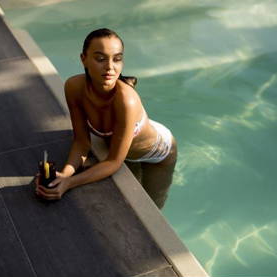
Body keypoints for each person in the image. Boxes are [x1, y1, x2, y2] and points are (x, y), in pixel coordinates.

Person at [35, 28, 177, 209]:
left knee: (150, 208)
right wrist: (63, 176)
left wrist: (69, 183)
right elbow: (81, 142)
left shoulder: (127, 100)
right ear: (83, 59)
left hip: (158, 153)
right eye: (100, 58)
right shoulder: (74, 87)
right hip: (124, 146)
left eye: (117, 59)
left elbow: (113, 162)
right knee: (129, 201)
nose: (110, 67)